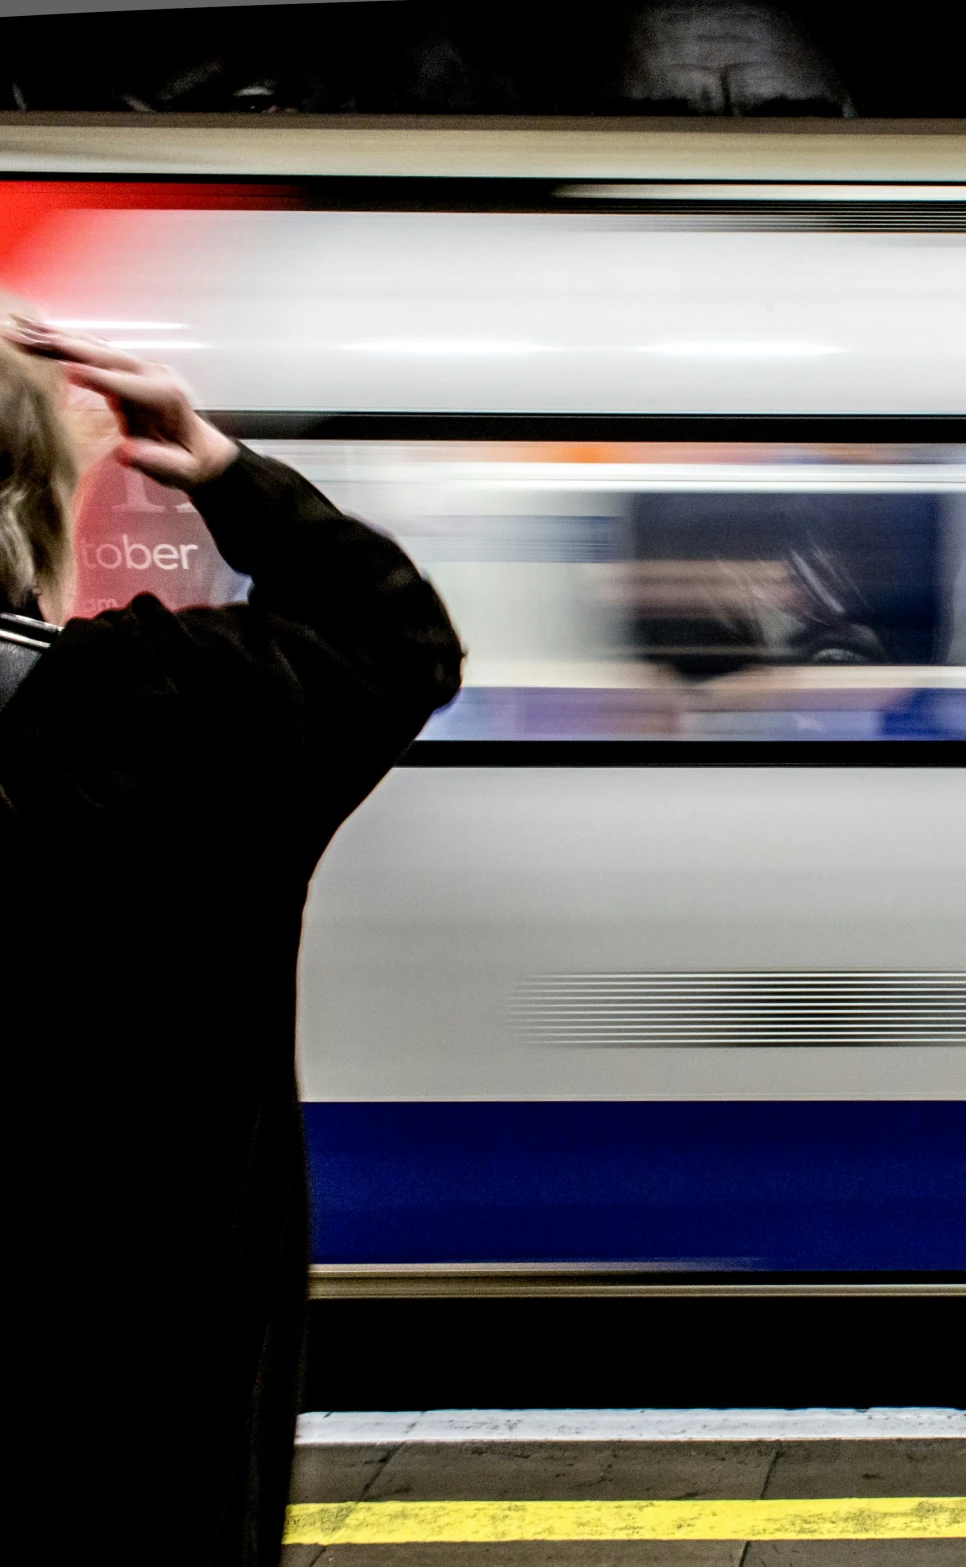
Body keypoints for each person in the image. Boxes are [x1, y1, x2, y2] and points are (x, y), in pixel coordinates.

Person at [0, 322, 462, 1565]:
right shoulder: (172, 709)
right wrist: (213, 463)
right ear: (37, 496)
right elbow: (400, 637)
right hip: (139, 1397)